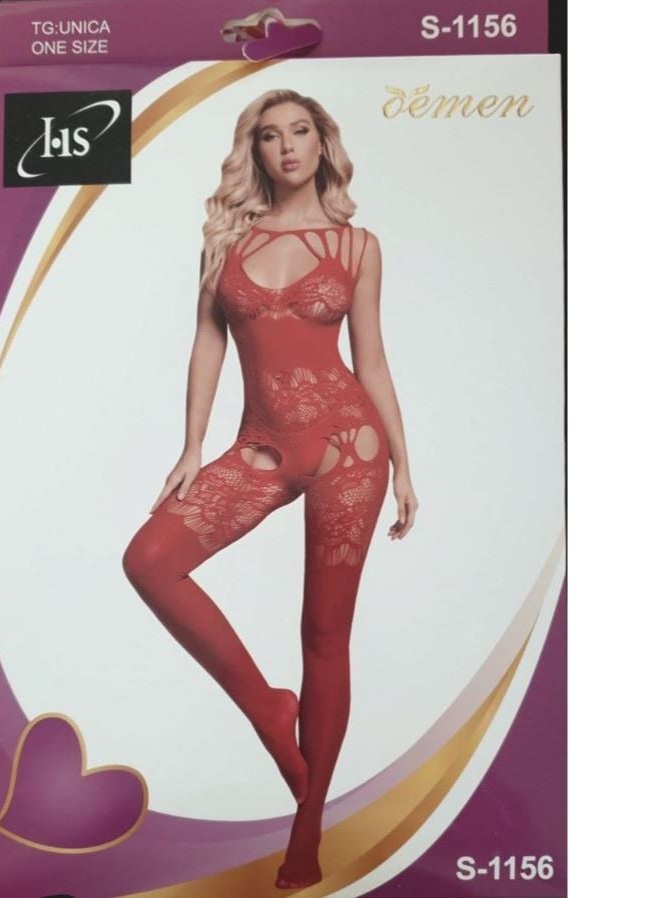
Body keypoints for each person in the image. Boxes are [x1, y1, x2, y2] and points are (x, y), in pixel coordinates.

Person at [122, 88, 418, 889]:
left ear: (323, 143)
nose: (286, 146)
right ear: (253, 150)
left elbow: (372, 361)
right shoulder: (226, 239)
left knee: (324, 634)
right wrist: (192, 446)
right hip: (260, 447)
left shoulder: (358, 247)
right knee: (150, 561)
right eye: (269, 135)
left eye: (300, 131)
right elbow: (207, 342)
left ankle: (308, 827)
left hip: (350, 447)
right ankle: (265, 705)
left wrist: (404, 465)